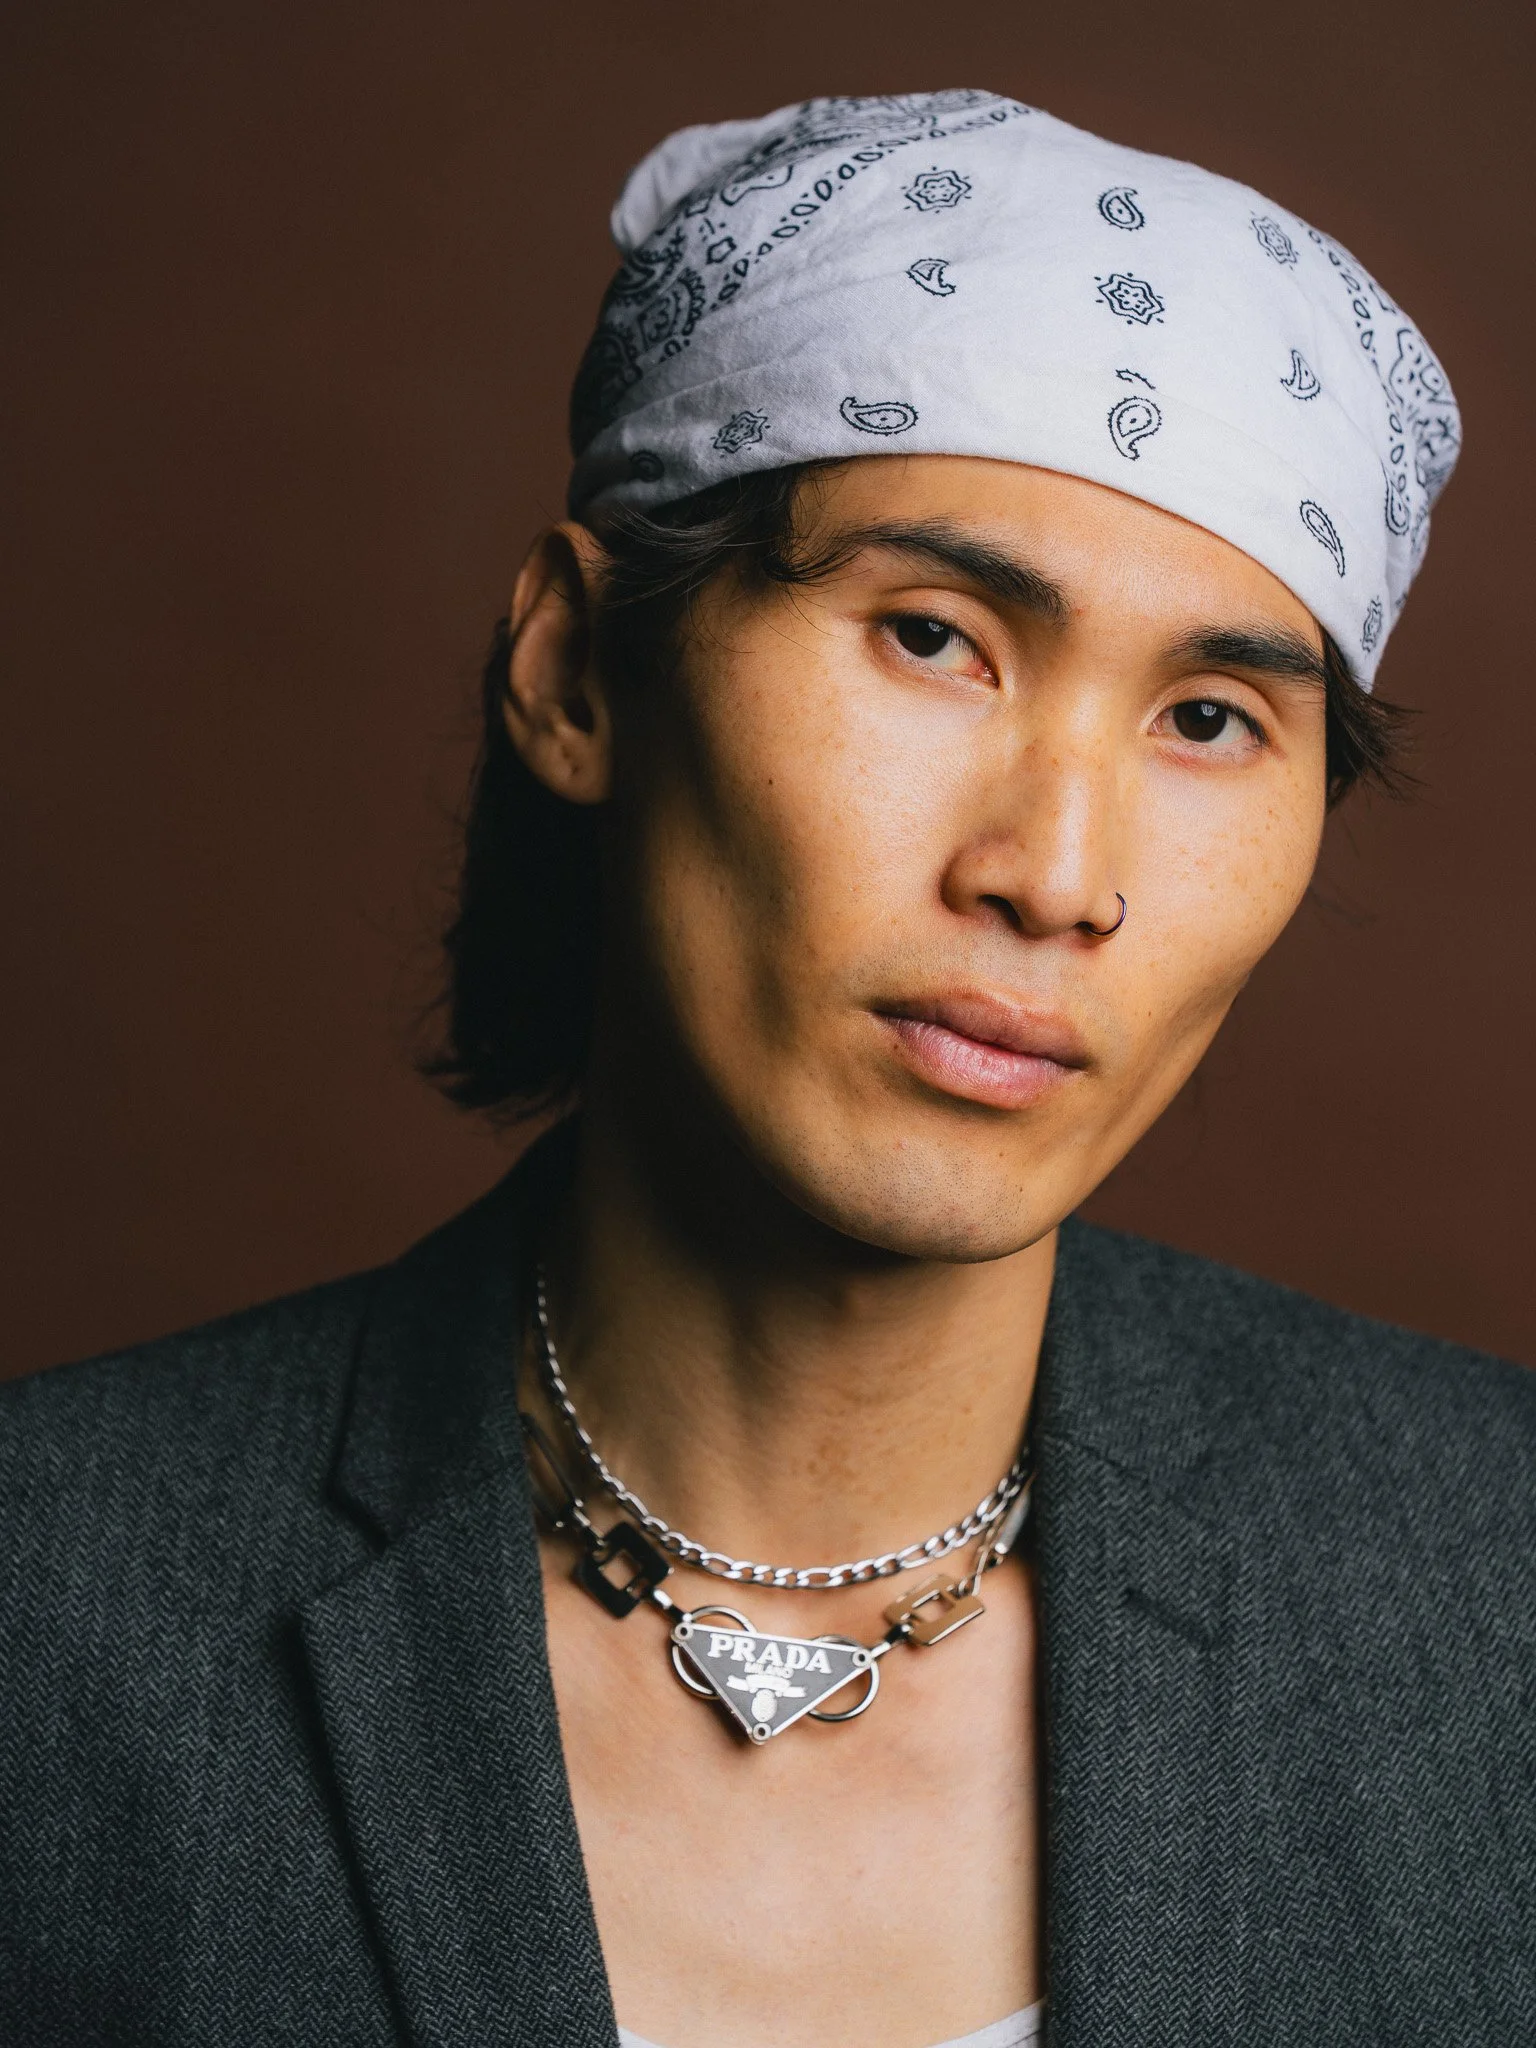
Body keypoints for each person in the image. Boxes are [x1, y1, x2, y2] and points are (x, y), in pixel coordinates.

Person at [2, 90, 1531, 2048]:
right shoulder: (49, 1614)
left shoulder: (1494, 1595)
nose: (1057, 875)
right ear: (573, 670)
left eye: (1215, 717)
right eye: (930, 634)